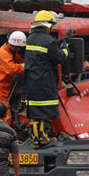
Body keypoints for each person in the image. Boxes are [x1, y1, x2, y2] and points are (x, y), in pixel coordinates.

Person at [24, 10, 69, 148]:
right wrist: (65, 47)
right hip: (45, 82)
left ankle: (35, 138)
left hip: (31, 82)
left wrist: (58, 43)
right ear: (47, 25)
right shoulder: (50, 41)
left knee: (34, 111)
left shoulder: (30, 39)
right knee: (45, 110)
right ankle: (43, 137)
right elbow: (59, 58)